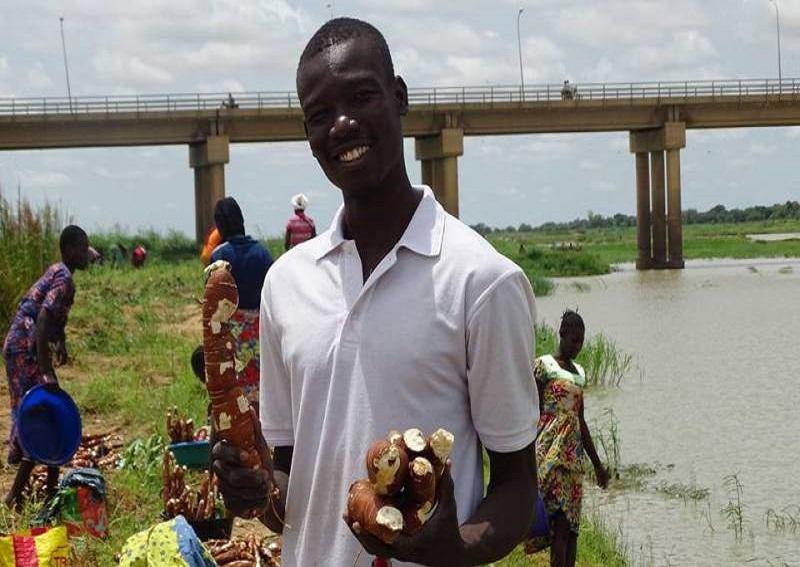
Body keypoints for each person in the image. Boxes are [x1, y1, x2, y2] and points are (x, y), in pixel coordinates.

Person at [213, 18, 539, 567]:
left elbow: (516, 485)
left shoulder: (482, 281)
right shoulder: (286, 284)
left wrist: (455, 547)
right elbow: (291, 477)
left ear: (399, 97)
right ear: (309, 134)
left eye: (361, 96)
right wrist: (254, 488)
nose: (342, 124)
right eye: (320, 115)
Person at [2, 225, 90, 509]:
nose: (87, 253)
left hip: (22, 344)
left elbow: (53, 319)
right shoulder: (64, 278)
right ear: (70, 251)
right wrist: (45, 369)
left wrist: (61, 342)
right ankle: (13, 497)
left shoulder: (61, 274)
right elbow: (42, 320)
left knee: (45, 411)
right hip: (23, 346)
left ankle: (49, 491)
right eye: (83, 247)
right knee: (39, 413)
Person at [525, 310, 609, 567]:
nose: (578, 345)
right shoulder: (543, 366)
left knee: (571, 528)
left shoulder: (580, 374)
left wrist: (597, 464)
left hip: (573, 461)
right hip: (549, 455)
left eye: (581, 341)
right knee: (559, 523)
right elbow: (531, 412)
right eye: (574, 339)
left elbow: (580, 421)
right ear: (561, 334)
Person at [210, 197, 273, 410]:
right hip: (261, 331)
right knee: (260, 387)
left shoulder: (219, 257)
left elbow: (212, 302)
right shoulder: (263, 253)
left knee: (234, 392)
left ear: (220, 225)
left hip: (231, 334)